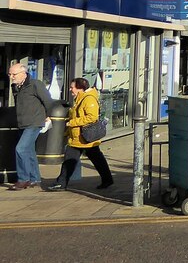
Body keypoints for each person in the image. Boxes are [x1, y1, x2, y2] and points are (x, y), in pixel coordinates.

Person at [46, 77, 113, 192]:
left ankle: (61, 183)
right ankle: (107, 179)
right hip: (80, 137)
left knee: (71, 160)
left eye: (72, 87)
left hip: (84, 137)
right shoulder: (80, 98)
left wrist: (71, 123)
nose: (70, 90)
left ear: (80, 88)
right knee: (96, 158)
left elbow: (91, 117)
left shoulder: (88, 99)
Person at [9, 62, 52, 190]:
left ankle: (23, 179)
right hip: (22, 123)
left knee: (20, 149)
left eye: (14, 74)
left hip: (34, 122)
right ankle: (35, 179)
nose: (11, 76)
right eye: (10, 74)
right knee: (29, 151)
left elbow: (47, 100)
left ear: (23, 73)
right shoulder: (15, 86)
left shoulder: (35, 84)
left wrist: (48, 116)